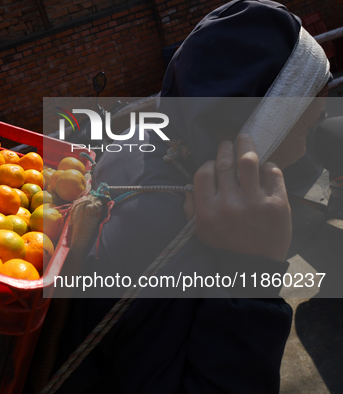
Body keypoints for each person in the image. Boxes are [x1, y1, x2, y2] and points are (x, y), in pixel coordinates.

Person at [49, 0, 331, 393]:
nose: (302, 152)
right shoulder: (182, 239)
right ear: (263, 128)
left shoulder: (139, 140)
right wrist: (253, 278)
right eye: (305, 128)